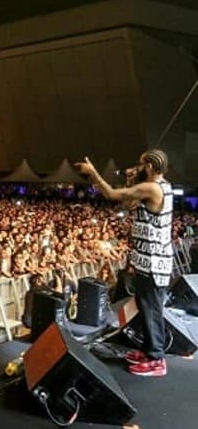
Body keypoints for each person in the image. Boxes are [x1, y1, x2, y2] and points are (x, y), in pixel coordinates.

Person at [76, 149, 173, 377]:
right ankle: (149, 350)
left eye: (140, 164)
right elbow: (128, 205)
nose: (137, 166)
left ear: (149, 166)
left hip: (153, 262)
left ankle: (156, 359)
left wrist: (92, 173)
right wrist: (131, 178)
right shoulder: (159, 186)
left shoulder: (152, 187)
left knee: (151, 308)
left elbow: (110, 194)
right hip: (146, 259)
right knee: (144, 304)